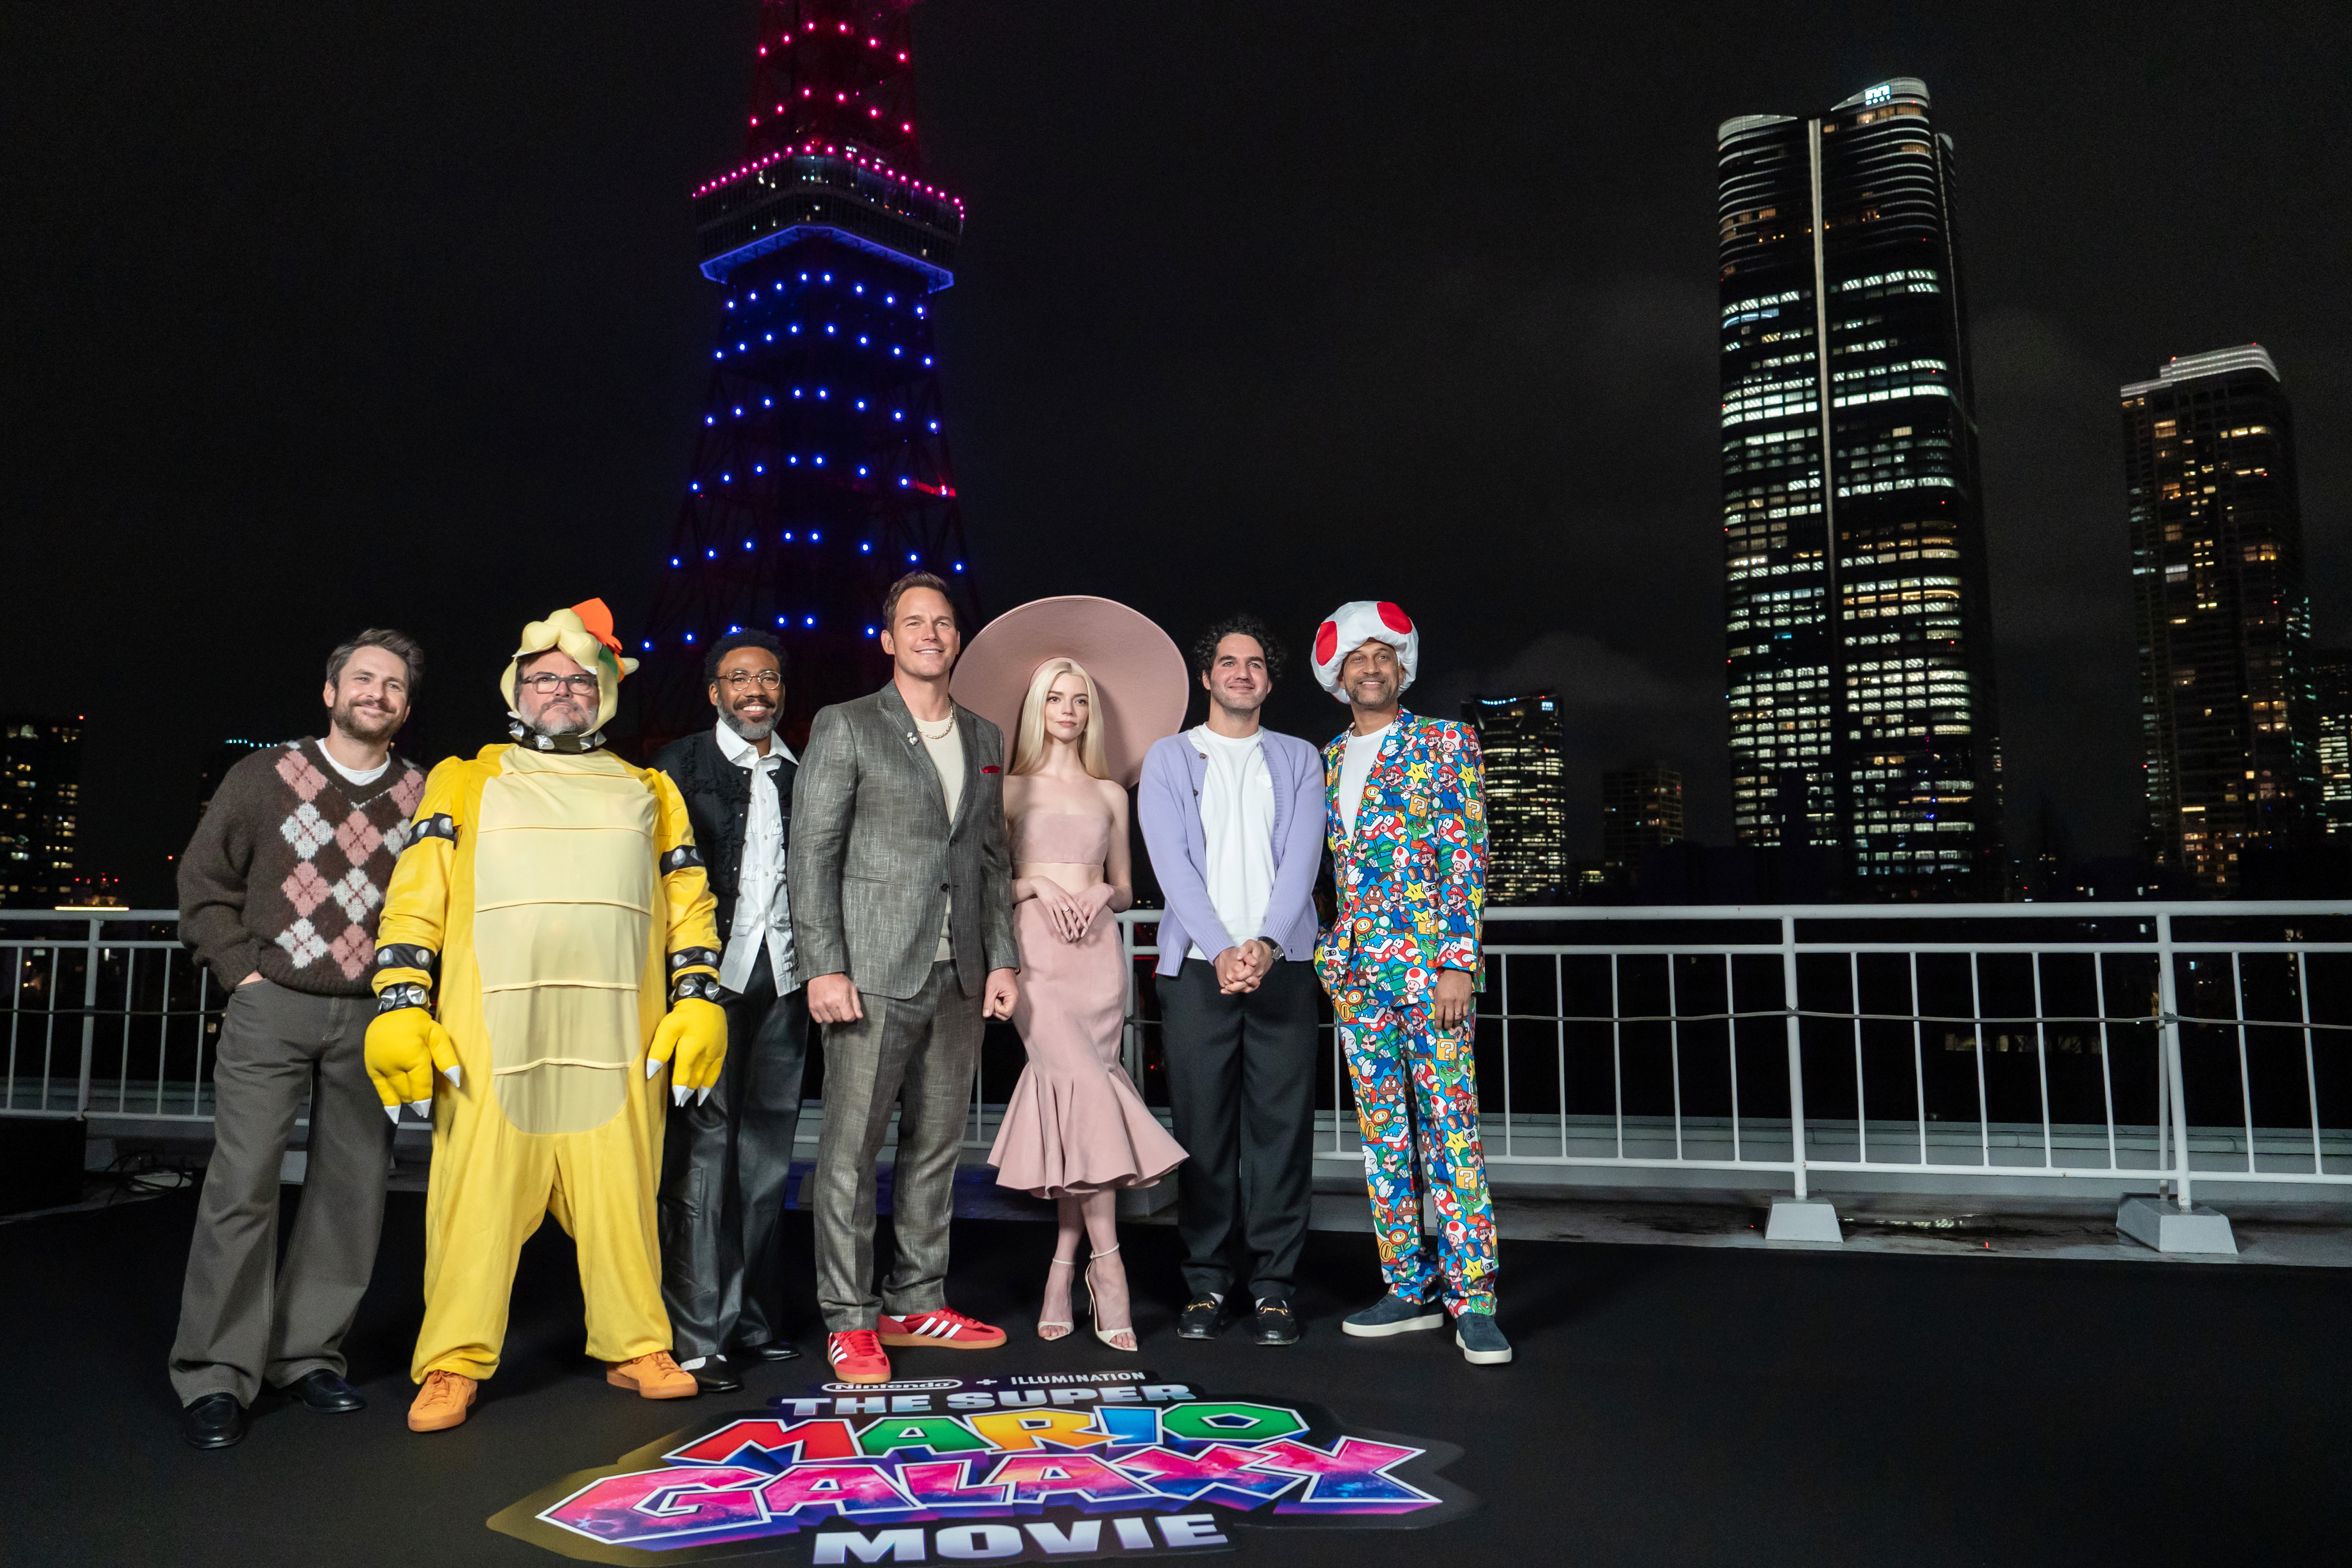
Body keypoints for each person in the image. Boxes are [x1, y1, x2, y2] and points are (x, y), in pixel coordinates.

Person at [365, 599, 730, 1431]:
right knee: (474, 1203)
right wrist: (400, 1005)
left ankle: (638, 1342)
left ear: (605, 694)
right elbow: (416, 899)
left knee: (626, 1198)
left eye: (579, 679)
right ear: (516, 690)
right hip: (493, 1041)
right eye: (544, 679)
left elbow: (689, 902)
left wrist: (698, 999)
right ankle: (452, 1360)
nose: (561, 691)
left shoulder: (651, 790)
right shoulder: (464, 778)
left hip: (618, 1039)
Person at [170, 631, 427, 1448]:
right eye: (363, 679)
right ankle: (215, 1372)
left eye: (393, 685)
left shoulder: (424, 794)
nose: (377, 693)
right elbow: (203, 881)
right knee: (242, 1183)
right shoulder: (265, 776)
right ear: (330, 692)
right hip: (272, 1004)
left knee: (353, 1191)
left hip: (374, 1016)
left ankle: (308, 1355)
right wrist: (241, 972)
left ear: (406, 707)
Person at [789, 572, 1020, 1385]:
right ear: (889, 640)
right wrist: (825, 965)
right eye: (914, 623)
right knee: (851, 1151)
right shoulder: (848, 724)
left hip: (959, 972)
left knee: (936, 1144)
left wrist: (1001, 958)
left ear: (958, 639)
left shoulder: (985, 736)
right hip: (873, 970)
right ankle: (849, 1318)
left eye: (944, 622)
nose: (930, 634)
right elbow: (812, 853)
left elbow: (991, 860)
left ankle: (916, 1299)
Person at [953, 596, 1193, 1349]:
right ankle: (1109, 1266)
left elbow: (1125, 888)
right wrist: (1035, 885)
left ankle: (1063, 1265)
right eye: (1056, 697)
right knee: (1085, 1091)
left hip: (1097, 957)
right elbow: (985, 884)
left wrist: (1097, 895)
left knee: (1079, 1109)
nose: (1068, 709)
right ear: (1036, 708)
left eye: (1079, 699)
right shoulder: (1008, 787)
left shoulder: (1111, 792)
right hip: (1035, 956)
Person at [1310, 600, 1510, 1367]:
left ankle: (1475, 1301)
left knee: (1452, 1136)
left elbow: (1467, 854)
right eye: (1357, 658)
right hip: (1359, 978)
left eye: (1382, 656)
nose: (1370, 668)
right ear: (1339, 676)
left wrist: (1459, 960)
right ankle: (1406, 1286)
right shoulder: (1329, 758)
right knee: (1384, 1141)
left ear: (1403, 668)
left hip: (1433, 973)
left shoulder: (1445, 741)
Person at [1136, 616, 1325, 1347]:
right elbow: (1172, 865)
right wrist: (1220, 950)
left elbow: (1304, 858)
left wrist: (1267, 945)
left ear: (1269, 682)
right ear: (1206, 676)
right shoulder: (1168, 758)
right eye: (1228, 662)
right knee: (1203, 1133)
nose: (1242, 673)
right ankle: (1208, 1283)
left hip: (1284, 967)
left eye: (1256, 664)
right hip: (1196, 971)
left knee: (1282, 1133)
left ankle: (1275, 1287)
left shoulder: (1300, 757)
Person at [652, 631, 808, 1393]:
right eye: (739, 678)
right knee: (702, 1155)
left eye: (768, 678)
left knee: (767, 1157)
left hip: (786, 980)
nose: (756, 690)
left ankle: (751, 1319)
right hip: (704, 983)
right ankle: (696, 1335)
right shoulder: (676, 767)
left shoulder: (802, 773)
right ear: (715, 691)